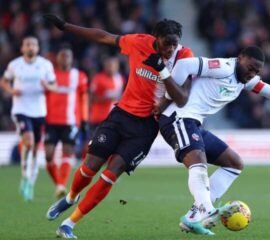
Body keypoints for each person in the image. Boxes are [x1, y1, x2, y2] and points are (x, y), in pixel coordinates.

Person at [147, 46, 270, 235]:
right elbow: (184, 65)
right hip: (177, 118)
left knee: (234, 163)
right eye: (250, 68)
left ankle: (193, 216)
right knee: (198, 160)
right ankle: (205, 208)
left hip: (193, 124)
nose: (252, 73)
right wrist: (166, 99)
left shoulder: (246, 81)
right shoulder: (222, 67)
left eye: (257, 71)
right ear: (240, 58)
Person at [43, 14, 199, 239]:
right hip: (121, 116)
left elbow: (183, 98)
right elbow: (104, 37)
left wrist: (163, 73)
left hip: (146, 128)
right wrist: (66, 26)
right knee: (90, 166)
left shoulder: (184, 56)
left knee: (110, 174)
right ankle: (70, 197)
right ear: (156, 39)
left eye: (175, 44)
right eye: (167, 44)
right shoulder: (139, 42)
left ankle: (69, 224)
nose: (171, 49)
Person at [0, 36, 57, 201]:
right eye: (27, 44)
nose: (30, 47)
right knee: (29, 141)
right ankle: (25, 175)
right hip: (21, 109)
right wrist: (11, 91)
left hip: (39, 111)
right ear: (22, 48)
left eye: (33, 44)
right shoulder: (15, 64)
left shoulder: (45, 65)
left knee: (34, 148)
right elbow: (3, 81)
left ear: (38, 48)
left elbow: (55, 86)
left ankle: (30, 180)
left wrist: (48, 87)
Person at [44, 46, 89, 199]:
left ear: (72, 59)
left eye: (67, 56)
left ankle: (61, 185)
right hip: (51, 120)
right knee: (49, 155)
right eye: (62, 56)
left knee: (67, 152)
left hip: (71, 121)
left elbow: (84, 98)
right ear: (57, 58)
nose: (64, 58)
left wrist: (84, 119)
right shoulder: (50, 75)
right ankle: (59, 183)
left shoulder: (79, 76)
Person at [89, 57, 124, 134]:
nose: (111, 67)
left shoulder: (120, 79)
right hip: (98, 118)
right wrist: (107, 98)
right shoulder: (98, 78)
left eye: (113, 65)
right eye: (109, 65)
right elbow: (91, 97)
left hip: (114, 119)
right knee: (94, 142)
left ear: (117, 66)